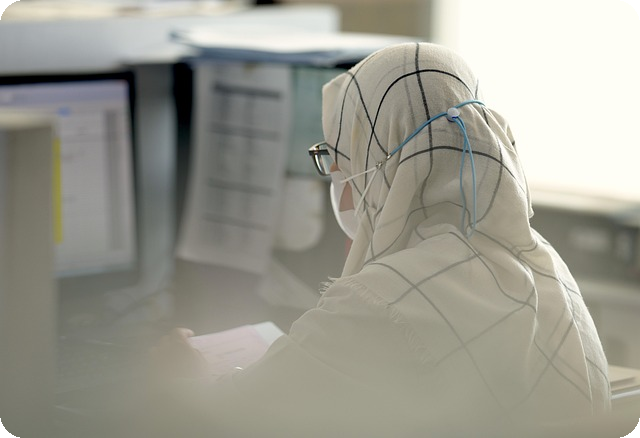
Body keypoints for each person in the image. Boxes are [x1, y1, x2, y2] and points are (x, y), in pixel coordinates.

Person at [145, 42, 613, 437]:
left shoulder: (384, 300)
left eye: (341, 160)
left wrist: (179, 380)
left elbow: (224, 418)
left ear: (383, 163)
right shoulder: (544, 266)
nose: (341, 185)